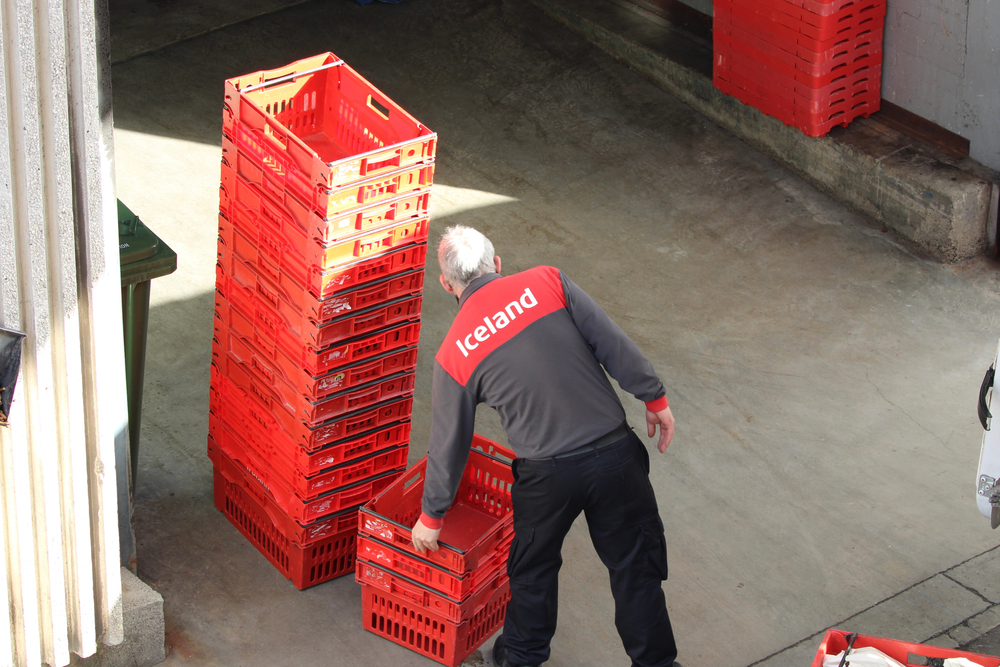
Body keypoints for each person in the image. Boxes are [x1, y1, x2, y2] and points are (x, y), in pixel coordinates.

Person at [411, 225, 679, 667]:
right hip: (615, 456)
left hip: (547, 478)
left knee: (533, 573)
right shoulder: (547, 281)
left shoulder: (454, 353)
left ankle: (520, 660)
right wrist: (654, 397)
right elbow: (609, 340)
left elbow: (449, 441)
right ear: (496, 264)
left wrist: (432, 515)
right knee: (637, 567)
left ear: (446, 284)